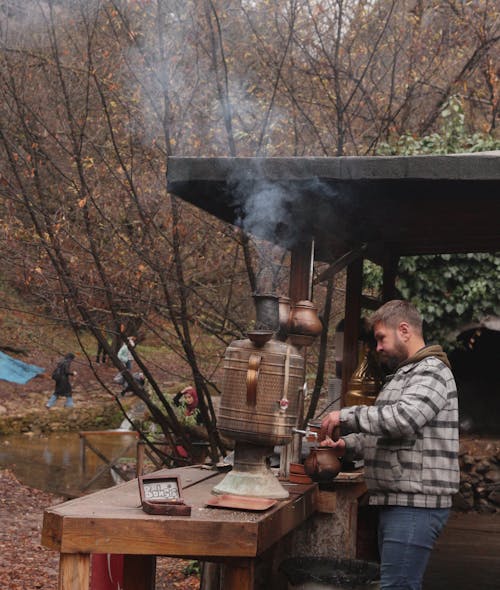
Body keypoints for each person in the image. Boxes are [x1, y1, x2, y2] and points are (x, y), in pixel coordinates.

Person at [319, 300, 459, 590]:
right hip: (399, 501)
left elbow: (402, 420)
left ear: (404, 330)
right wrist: (347, 445)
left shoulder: (430, 371)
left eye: (381, 338)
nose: (378, 347)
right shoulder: (406, 374)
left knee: (399, 586)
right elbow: (386, 433)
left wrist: (344, 415)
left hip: (415, 504)